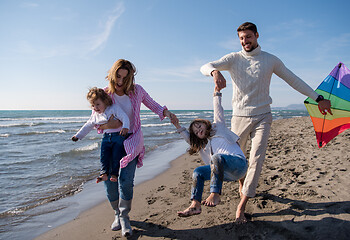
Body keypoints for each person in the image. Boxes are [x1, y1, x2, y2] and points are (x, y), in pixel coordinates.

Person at [200, 22, 332, 224]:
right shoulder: (234, 59)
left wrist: (318, 98)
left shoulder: (270, 60)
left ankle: (241, 206)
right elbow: (205, 66)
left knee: (257, 159)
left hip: (263, 115)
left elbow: (293, 80)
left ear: (257, 36)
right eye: (242, 38)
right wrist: (215, 72)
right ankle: (242, 186)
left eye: (248, 37)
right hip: (239, 117)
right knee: (237, 159)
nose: (245, 41)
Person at [97, 59, 176, 237]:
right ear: (112, 74)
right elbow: (96, 122)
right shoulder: (104, 94)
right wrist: (110, 125)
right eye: (118, 76)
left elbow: (154, 105)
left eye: (125, 78)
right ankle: (116, 214)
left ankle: (124, 216)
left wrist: (168, 113)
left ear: (130, 77)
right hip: (110, 143)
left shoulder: (137, 91)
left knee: (125, 181)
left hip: (131, 141)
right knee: (110, 181)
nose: (120, 82)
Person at [172, 88, 248, 217]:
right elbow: (187, 137)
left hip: (239, 164)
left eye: (199, 126)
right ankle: (195, 205)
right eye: (196, 132)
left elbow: (218, 109)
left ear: (205, 124)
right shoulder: (202, 145)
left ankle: (215, 194)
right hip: (224, 174)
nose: (198, 131)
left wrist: (217, 92)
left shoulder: (219, 127)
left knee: (217, 157)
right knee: (198, 172)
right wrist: (177, 126)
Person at [72, 87, 129, 183]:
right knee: (104, 156)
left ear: (105, 101)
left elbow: (124, 116)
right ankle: (104, 173)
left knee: (116, 155)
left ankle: (114, 174)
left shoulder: (113, 108)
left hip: (118, 136)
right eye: (93, 105)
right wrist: (78, 136)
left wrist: (125, 127)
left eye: (98, 104)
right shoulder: (96, 115)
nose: (95, 108)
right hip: (106, 138)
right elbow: (88, 125)